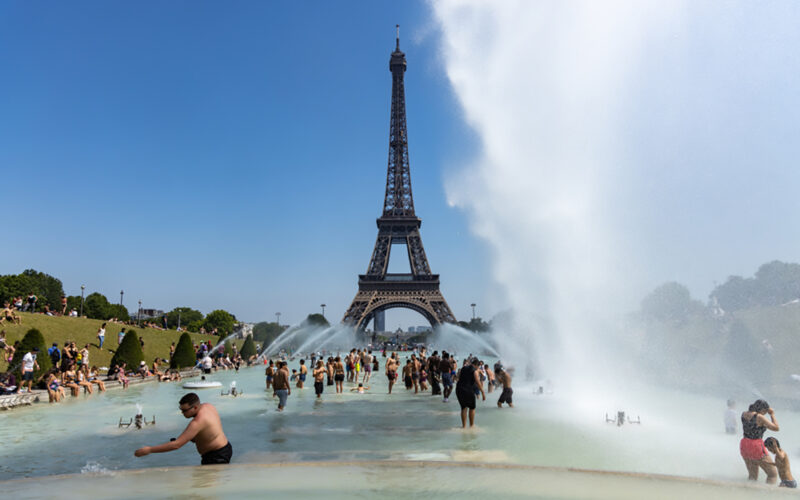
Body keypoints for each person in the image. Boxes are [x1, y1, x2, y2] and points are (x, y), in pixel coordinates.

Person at [135, 392, 232, 465]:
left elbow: (176, 445)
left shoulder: (197, 422)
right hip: (225, 448)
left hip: (216, 456)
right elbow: (209, 432)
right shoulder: (208, 406)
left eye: (185, 410)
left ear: (194, 408)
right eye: (181, 410)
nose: (182, 413)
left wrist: (149, 450)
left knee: (204, 488)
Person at [741, 399, 779, 483]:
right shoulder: (759, 417)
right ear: (762, 410)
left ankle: (749, 493)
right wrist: (772, 414)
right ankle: (768, 494)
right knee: (772, 474)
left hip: (744, 444)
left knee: (752, 476)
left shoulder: (744, 414)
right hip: (756, 445)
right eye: (765, 411)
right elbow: (776, 428)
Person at [455, 357, 484, 428]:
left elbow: (458, 376)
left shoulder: (463, 368)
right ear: (477, 365)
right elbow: (478, 382)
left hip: (459, 389)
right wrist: (483, 393)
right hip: (468, 390)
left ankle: (464, 426)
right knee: (472, 408)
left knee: (464, 407)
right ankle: (471, 425)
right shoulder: (475, 371)